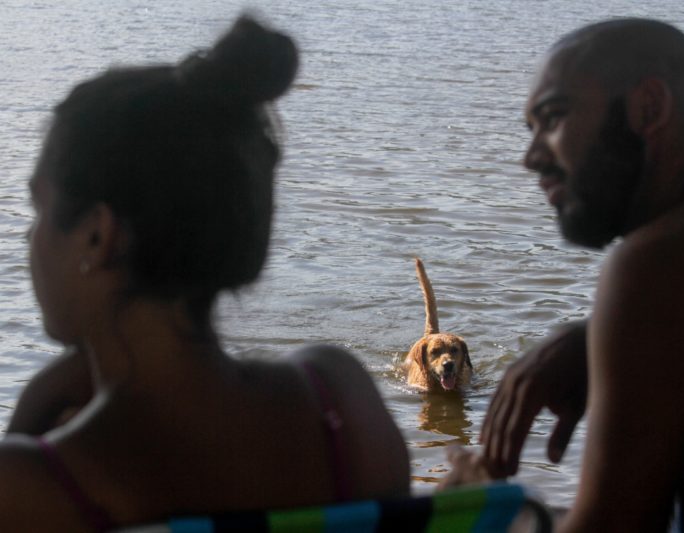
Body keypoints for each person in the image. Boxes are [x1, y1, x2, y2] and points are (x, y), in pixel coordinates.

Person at [0, 15, 409, 530]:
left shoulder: (34, 487)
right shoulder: (341, 403)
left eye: (38, 210)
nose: (28, 238)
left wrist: (25, 427)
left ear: (97, 238)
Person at [446, 18, 684, 533]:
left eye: (553, 118)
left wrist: (485, 504)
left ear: (648, 108)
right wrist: (594, 337)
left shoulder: (655, 261)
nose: (531, 158)